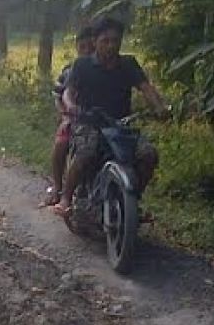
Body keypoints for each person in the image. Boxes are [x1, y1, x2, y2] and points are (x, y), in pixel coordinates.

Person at [56, 17, 170, 218]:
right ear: (95, 41)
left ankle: (132, 199)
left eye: (115, 41)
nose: (111, 46)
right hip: (89, 123)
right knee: (86, 153)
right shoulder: (82, 65)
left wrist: (160, 107)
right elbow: (69, 91)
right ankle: (66, 197)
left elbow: (146, 88)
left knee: (148, 155)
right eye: (105, 41)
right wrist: (72, 106)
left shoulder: (128, 64)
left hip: (120, 126)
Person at [42, 26, 97, 207]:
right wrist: (65, 115)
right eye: (83, 47)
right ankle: (58, 186)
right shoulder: (70, 70)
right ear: (77, 47)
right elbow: (58, 96)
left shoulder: (101, 69)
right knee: (61, 143)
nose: (87, 51)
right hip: (72, 117)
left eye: (91, 47)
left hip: (97, 119)